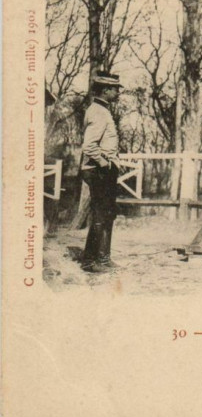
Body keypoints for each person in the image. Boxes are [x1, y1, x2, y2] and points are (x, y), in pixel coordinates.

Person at [80, 71, 122, 273]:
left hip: (103, 168)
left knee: (107, 214)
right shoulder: (97, 111)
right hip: (98, 169)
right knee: (100, 215)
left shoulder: (102, 110)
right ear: (105, 90)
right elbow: (89, 146)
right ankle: (90, 261)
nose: (118, 93)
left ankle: (103, 258)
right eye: (115, 89)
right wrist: (105, 164)